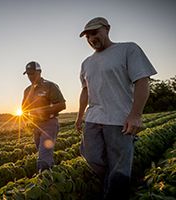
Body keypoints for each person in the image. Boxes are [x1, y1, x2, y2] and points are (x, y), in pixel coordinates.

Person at [75, 17, 157, 200]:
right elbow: (85, 91)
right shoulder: (86, 63)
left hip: (119, 120)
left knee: (119, 170)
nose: (91, 39)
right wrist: (80, 116)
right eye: (87, 36)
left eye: (95, 33)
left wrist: (135, 115)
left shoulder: (128, 49)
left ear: (107, 29)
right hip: (93, 119)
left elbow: (142, 81)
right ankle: (111, 180)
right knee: (91, 156)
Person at [22, 61, 66, 172]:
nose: (30, 76)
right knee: (42, 152)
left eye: (32, 73)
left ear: (39, 72)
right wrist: (26, 120)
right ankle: (52, 180)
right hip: (36, 125)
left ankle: (42, 181)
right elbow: (24, 108)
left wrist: (42, 111)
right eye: (28, 74)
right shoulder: (27, 90)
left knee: (43, 156)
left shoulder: (50, 86)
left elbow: (62, 105)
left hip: (49, 124)